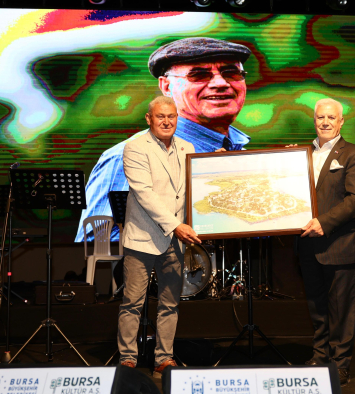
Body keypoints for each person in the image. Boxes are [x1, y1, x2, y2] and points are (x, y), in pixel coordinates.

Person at [76, 37, 252, 242]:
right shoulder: (130, 156)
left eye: (231, 73)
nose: (220, 83)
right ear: (166, 87)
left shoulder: (246, 156)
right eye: (199, 75)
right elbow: (95, 244)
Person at [117, 95, 201, 377]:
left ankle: (163, 358)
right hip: (143, 237)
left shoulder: (187, 147)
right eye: (160, 116)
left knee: (170, 304)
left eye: (171, 116)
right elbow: (144, 194)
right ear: (149, 118)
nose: (167, 121)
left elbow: (195, 187)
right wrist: (176, 225)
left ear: (178, 118)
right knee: (132, 303)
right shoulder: (135, 147)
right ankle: (128, 359)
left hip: (175, 241)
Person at [297, 98, 355, 386]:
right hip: (307, 245)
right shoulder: (300, 154)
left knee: (341, 310)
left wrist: (324, 223)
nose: (325, 122)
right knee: (317, 308)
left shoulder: (354, 153)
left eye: (331, 117)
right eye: (320, 117)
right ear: (314, 120)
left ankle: (340, 363)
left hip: (339, 244)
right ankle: (320, 357)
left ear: (341, 122)